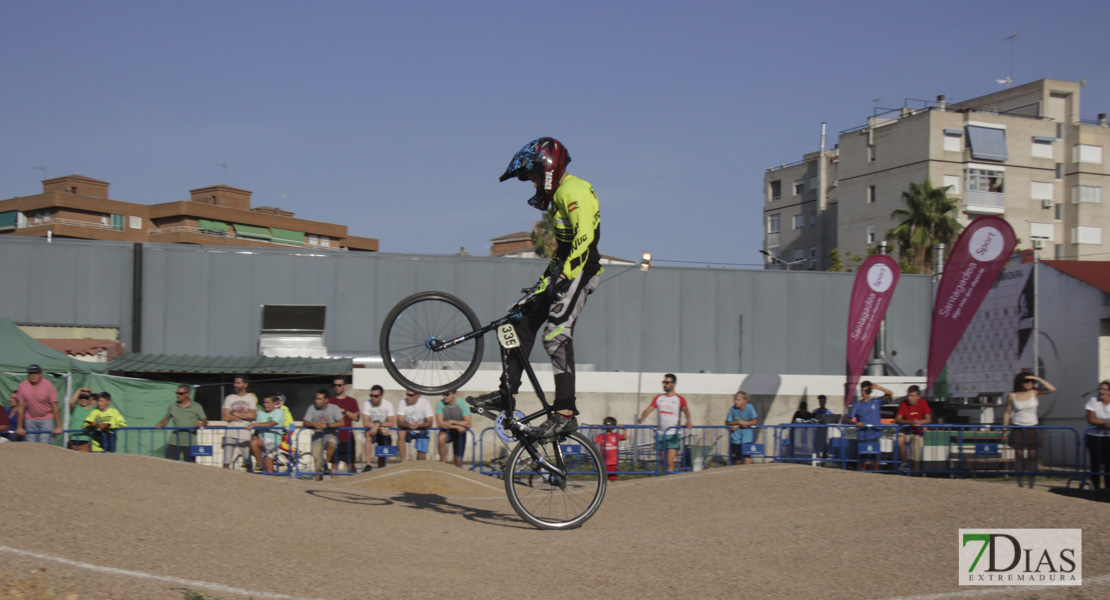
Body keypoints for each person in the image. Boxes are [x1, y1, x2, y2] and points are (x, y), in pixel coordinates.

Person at [468, 137, 602, 440]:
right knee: (517, 323)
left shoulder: (575, 190)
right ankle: (507, 394)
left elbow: (584, 238)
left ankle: (565, 412)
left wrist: (564, 278)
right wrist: (541, 286)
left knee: (556, 334)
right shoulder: (557, 200)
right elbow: (561, 251)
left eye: (534, 177)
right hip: (565, 270)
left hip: (582, 269)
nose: (533, 185)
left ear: (550, 168)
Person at [1003, 373, 1055, 488]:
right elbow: (1007, 412)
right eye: (1026, 381)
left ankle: (1031, 481)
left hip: (1032, 426)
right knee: (1019, 455)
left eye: (1031, 382)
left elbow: (1052, 389)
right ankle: (1019, 481)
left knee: (1032, 455)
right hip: (1017, 426)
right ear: (1020, 382)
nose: (1029, 384)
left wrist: (1037, 378)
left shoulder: (1035, 392)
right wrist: (1004, 429)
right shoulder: (1012, 395)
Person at [638, 374, 692, 473]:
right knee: (663, 461)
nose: (664, 384)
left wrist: (688, 421)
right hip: (661, 434)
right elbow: (649, 409)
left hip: (673, 434)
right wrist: (643, 417)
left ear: (673, 384)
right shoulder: (658, 398)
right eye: (663, 382)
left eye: (667, 382)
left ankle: (670, 480)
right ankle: (665, 479)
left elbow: (686, 410)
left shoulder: (679, 399)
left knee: (670, 462)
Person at [155, 386, 208, 462]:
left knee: (190, 466)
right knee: (169, 464)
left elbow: (205, 420)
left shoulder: (196, 406)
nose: (178, 395)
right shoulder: (173, 406)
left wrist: (201, 424)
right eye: (177, 393)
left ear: (187, 394)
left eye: (180, 393)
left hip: (190, 441)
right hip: (174, 440)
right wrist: (161, 424)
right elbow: (166, 418)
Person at [848, 381, 891, 471]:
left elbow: (890, 394)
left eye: (865, 391)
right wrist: (856, 423)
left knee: (875, 462)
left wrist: (879, 387)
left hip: (875, 435)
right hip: (863, 436)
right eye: (862, 391)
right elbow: (848, 419)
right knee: (863, 462)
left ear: (869, 391)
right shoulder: (857, 405)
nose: (863, 393)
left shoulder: (876, 401)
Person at [15, 364, 62, 444]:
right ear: (28, 375)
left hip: (46, 418)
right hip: (30, 419)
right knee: (30, 445)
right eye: (31, 373)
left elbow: (55, 406)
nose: (33, 375)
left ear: (41, 375)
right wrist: (19, 427)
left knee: (44, 443)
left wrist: (58, 426)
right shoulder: (23, 386)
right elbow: (20, 407)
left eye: (36, 373)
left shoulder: (49, 386)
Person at [303, 389, 343, 481]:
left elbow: (341, 422)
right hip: (317, 437)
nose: (316, 401)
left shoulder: (334, 408)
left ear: (326, 400)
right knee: (317, 465)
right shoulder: (312, 408)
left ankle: (326, 463)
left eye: (319, 399)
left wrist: (327, 425)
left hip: (330, 435)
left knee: (332, 443)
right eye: (316, 398)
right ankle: (318, 483)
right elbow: (305, 422)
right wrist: (314, 424)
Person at [221, 376, 258, 470]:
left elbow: (252, 415)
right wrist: (244, 414)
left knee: (247, 459)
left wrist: (234, 413)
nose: (235, 385)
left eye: (238, 383)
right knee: (226, 460)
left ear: (245, 385)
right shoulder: (229, 398)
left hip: (245, 431)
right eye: (235, 383)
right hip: (230, 431)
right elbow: (225, 416)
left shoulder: (251, 398)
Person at [894, 385, 932, 472]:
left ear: (918, 397)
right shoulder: (903, 403)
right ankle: (905, 462)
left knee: (916, 459)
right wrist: (910, 422)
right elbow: (898, 419)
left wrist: (919, 422)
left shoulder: (923, 403)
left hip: (917, 432)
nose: (909, 398)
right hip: (906, 430)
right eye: (908, 395)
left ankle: (916, 475)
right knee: (899, 440)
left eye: (912, 396)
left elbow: (928, 419)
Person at [328, 377, 361, 476]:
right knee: (334, 465)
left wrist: (345, 411)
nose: (337, 387)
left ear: (345, 386)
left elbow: (356, 417)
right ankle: (334, 487)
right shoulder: (330, 401)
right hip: (334, 438)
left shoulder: (352, 401)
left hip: (348, 438)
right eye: (335, 385)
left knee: (351, 465)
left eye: (339, 385)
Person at [361, 384, 396, 472]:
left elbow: (391, 423)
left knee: (383, 447)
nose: (373, 398)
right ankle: (368, 464)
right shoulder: (367, 404)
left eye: (376, 396)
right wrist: (377, 426)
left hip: (383, 431)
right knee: (368, 434)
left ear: (382, 396)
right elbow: (365, 422)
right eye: (371, 395)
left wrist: (378, 426)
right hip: (373, 430)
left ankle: (381, 469)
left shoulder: (388, 405)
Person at [1084, 381, 1110, 496]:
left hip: (1108, 437)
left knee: (1109, 464)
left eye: (1104, 389)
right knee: (1096, 463)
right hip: (1094, 436)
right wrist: (1105, 423)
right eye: (1100, 389)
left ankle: (1108, 489)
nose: (1101, 391)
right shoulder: (1093, 401)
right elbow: (1091, 418)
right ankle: (1096, 488)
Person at [247, 395, 284, 474]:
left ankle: (259, 464)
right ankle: (273, 479)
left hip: (273, 441)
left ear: (274, 403)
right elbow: (257, 429)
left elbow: (271, 423)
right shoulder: (261, 413)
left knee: (254, 443)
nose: (265, 404)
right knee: (269, 469)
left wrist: (254, 425)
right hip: (262, 441)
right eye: (264, 402)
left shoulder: (279, 412)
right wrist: (255, 434)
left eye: (268, 403)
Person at [435, 390, 471, 468]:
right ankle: (443, 461)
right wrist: (456, 426)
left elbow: (468, 423)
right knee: (441, 437)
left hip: (459, 433)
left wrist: (452, 422)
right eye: (443, 394)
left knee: (458, 461)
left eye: (447, 394)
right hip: (450, 430)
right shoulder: (440, 404)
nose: (445, 397)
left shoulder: (462, 404)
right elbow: (440, 423)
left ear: (454, 394)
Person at [397, 390, 434, 462]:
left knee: (421, 459)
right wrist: (409, 425)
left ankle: (420, 469)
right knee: (401, 432)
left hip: (421, 430)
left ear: (418, 395)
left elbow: (430, 422)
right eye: (407, 394)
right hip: (408, 429)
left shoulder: (425, 403)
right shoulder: (402, 402)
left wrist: (419, 425)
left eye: (411, 395)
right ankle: (403, 462)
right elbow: (399, 422)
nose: (408, 397)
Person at [726, 392, 759, 465]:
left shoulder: (750, 407)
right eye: (735, 400)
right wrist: (739, 422)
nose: (736, 402)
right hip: (735, 439)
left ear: (744, 401)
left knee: (748, 459)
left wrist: (746, 423)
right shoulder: (732, 409)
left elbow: (754, 421)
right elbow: (727, 422)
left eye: (738, 400)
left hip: (747, 439)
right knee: (737, 461)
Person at [594, 417, 627, 481]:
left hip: (613, 462)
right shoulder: (601, 436)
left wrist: (623, 429)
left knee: (613, 478)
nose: (608, 426)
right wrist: (595, 430)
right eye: (606, 424)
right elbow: (594, 440)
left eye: (611, 424)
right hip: (604, 462)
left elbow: (626, 437)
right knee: (603, 478)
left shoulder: (615, 435)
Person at [67, 387, 98, 452]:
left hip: (85, 442)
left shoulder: (94, 409)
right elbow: (71, 402)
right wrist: (80, 389)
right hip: (72, 440)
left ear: (90, 398)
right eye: (81, 397)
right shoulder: (76, 407)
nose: (83, 399)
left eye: (86, 397)